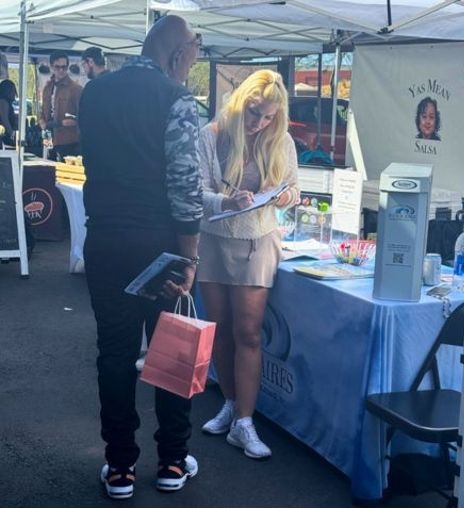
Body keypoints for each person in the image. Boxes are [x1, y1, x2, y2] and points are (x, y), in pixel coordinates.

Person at [78, 15, 203, 500]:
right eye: (194, 53)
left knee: (113, 352)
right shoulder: (176, 99)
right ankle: (172, 461)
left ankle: (119, 468)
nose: (193, 64)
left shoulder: (95, 93)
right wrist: (190, 258)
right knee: (171, 350)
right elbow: (186, 186)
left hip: (106, 239)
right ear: (176, 55)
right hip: (160, 244)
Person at [198, 69, 300, 459]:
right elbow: (198, 190)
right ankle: (229, 403)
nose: (259, 123)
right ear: (241, 103)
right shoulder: (212, 134)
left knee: (250, 333)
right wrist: (226, 202)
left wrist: (282, 197)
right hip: (214, 239)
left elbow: (294, 186)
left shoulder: (282, 140)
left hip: (258, 240)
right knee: (221, 330)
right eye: (254, 113)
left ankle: (245, 420)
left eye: (268, 116)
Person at [39, 50, 82, 160]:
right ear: (51, 67)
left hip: (69, 140)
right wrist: (42, 121)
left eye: (64, 67)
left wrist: (71, 121)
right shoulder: (47, 88)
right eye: (57, 67)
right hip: (48, 137)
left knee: (65, 173)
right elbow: (42, 111)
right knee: (48, 169)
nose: (61, 70)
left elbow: (82, 116)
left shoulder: (75, 89)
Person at [0, 79, 17, 147]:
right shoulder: (3, 102)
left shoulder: (5, 102)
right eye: (12, 91)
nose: (14, 93)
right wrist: (12, 134)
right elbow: (5, 121)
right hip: (4, 138)